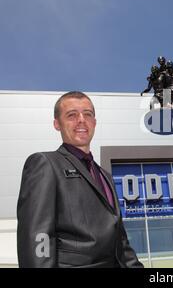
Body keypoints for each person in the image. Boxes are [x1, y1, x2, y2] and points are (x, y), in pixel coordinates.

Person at [17, 91, 143, 268]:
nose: (82, 120)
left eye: (88, 114)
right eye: (72, 115)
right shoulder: (45, 163)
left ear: (95, 122)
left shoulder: (105, 176)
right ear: (57, 124)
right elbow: (38, 236)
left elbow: (120, 241)